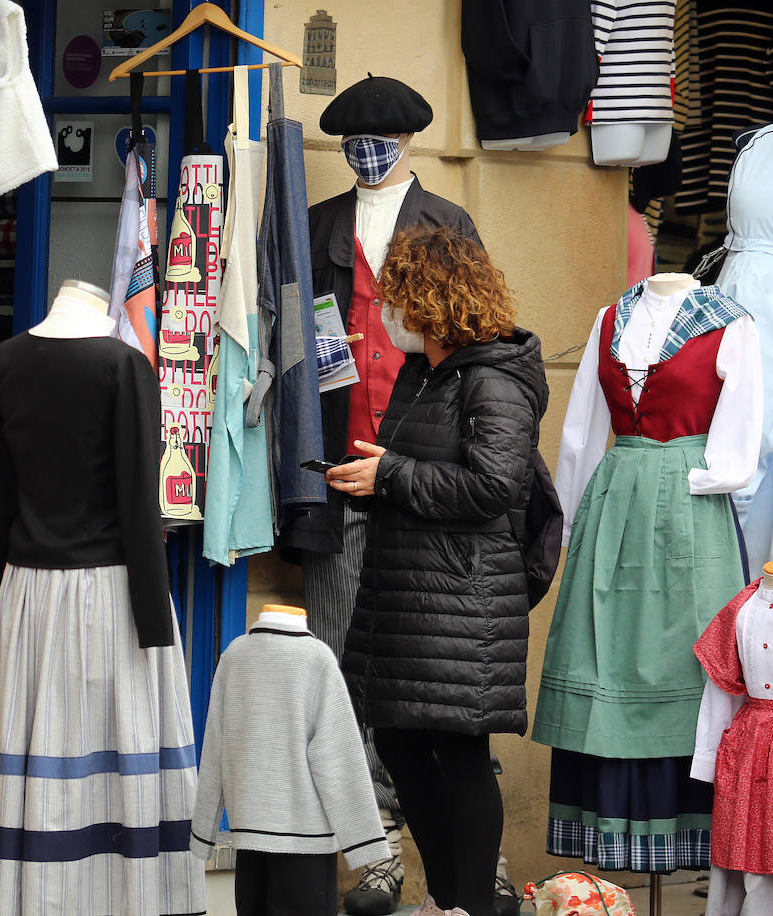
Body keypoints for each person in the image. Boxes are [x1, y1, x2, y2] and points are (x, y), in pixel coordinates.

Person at [292, 73, 481, 916]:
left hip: (421, 477)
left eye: (384, 141)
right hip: (338, 471)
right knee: (340, 662)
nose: (369, 153)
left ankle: (457, 851)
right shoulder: (319, 225)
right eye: (354, 143)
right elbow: (298, 343)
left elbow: (476, 350)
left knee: (429, 667)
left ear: (408, 143)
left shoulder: (449, 224)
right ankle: (368, 847)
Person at [327, 226, 548, 916]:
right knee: (397, 734)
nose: (391, 313)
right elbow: (424, 467)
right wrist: (376, 471)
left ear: (431, 301)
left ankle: (471, 903)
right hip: (414, 591)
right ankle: (449, 895)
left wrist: (389, 473)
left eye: (399, 298)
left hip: (464, 598)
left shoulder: (494, 378)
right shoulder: (430, 375)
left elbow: (494, 485)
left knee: (456, 751)